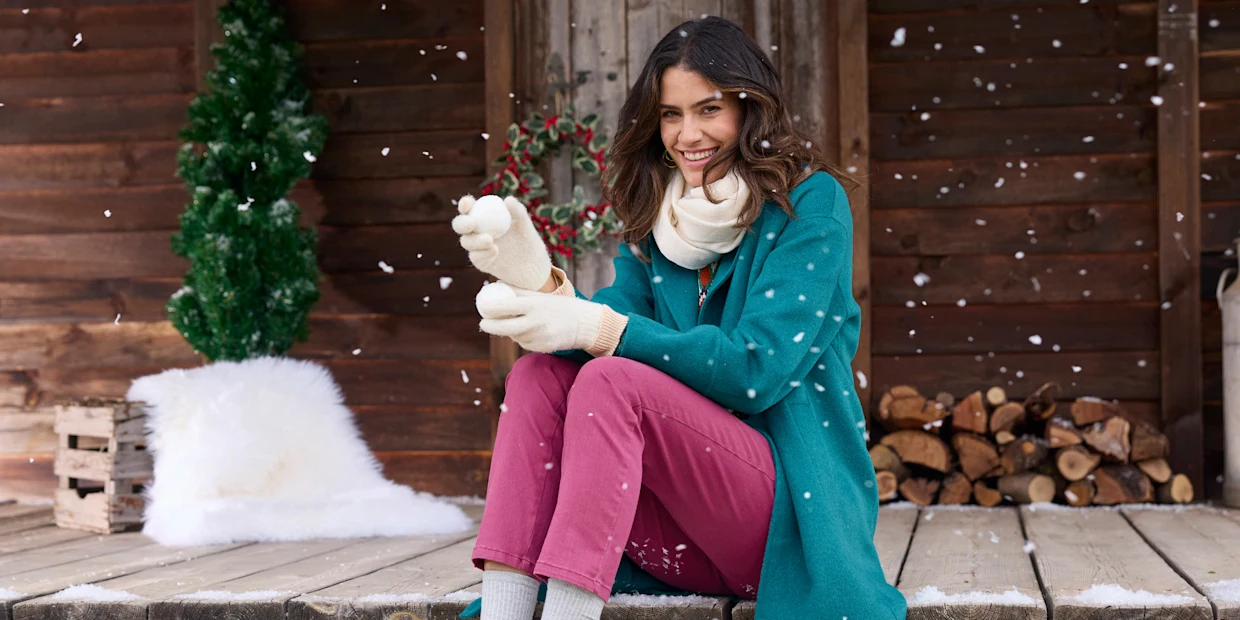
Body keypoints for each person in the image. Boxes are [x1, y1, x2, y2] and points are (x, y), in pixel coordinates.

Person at [450, 15, 907, 620]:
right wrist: (541, 284)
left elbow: (757, 370)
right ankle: (504, 612)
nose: (688, 134)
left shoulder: (810, 204)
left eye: (708, 109)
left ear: (749, 107)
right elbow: (611, 325)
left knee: (613, 380)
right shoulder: (659, 216)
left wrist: (599, 329)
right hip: (674, 537)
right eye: (670, 114)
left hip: (784, 527)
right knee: (537, 376)